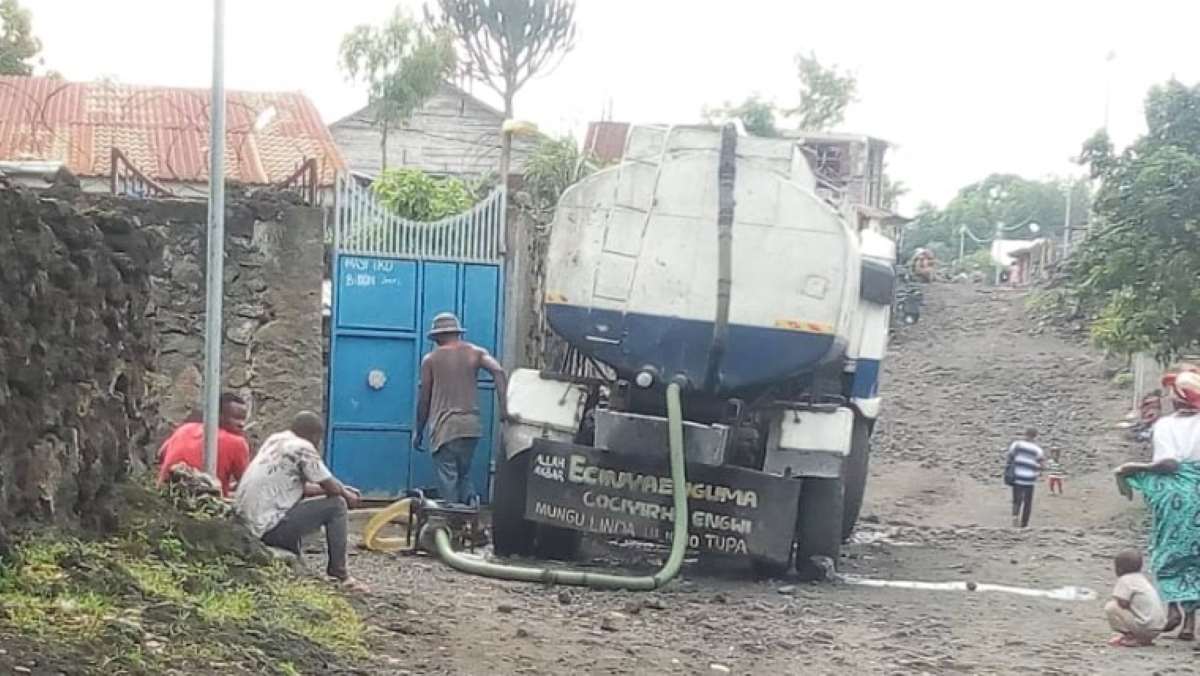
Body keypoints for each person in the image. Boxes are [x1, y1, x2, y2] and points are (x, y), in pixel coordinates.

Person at [234, 411, 367, 593]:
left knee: (296, 507)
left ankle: (297, 566)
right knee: (337, 505)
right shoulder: (303, 447)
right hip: (267, 527)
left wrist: (341, 489)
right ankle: (340, 572)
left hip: (250, 524)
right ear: (315, 436)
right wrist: (347, 494)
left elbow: (297, 489)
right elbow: (332, 489)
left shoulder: (276, 441)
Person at [1115, 366, 1200, 640]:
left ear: (1176, 397)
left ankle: (1173, 609)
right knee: (1196, 559)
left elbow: (1168, 463)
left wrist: (1132, 467)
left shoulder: (1165, 425)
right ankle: (1189, 623)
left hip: (1175, 496)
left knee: (1168, 552)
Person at [415, 312, 509, 505]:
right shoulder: (475, 352)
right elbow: (499, 371)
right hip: (471, 428)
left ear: (437, 336)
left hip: (445, 429)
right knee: (463, 474)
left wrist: (419, 431)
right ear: (457, 333)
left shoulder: (430, 360)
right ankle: (471, 506)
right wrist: (504, 410)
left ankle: (453, 522)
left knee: (448, 479)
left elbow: (424, 399)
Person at [156, 393, 250, 496]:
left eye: (243, 419)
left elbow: (161, 455)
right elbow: (247, 483)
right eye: (236, 418)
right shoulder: (237, 443)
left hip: (164, 495)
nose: (241, 424)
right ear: (217, 415)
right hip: (200, 502)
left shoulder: (185, 429)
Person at [1105, 550, 1166, 647]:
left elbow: (1122, 603)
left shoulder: (1125, 580)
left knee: (1111, 607)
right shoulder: (1142, 579)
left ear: (1119, 569)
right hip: (1157, 628)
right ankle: (1144, 639)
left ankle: (1130, 636)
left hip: (1145, 627)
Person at [1004, 427, 1044, 527]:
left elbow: (1010, 457)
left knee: (1017, 500)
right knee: (1027, 502)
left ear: (1025, 434)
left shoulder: (1016, 445)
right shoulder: (1037, 450)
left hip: (1017, 477)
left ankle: (1015, 517)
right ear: (1035, 436)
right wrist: (1036, 470)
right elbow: (1042, 465)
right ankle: (1024, 524)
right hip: (1030, 479)